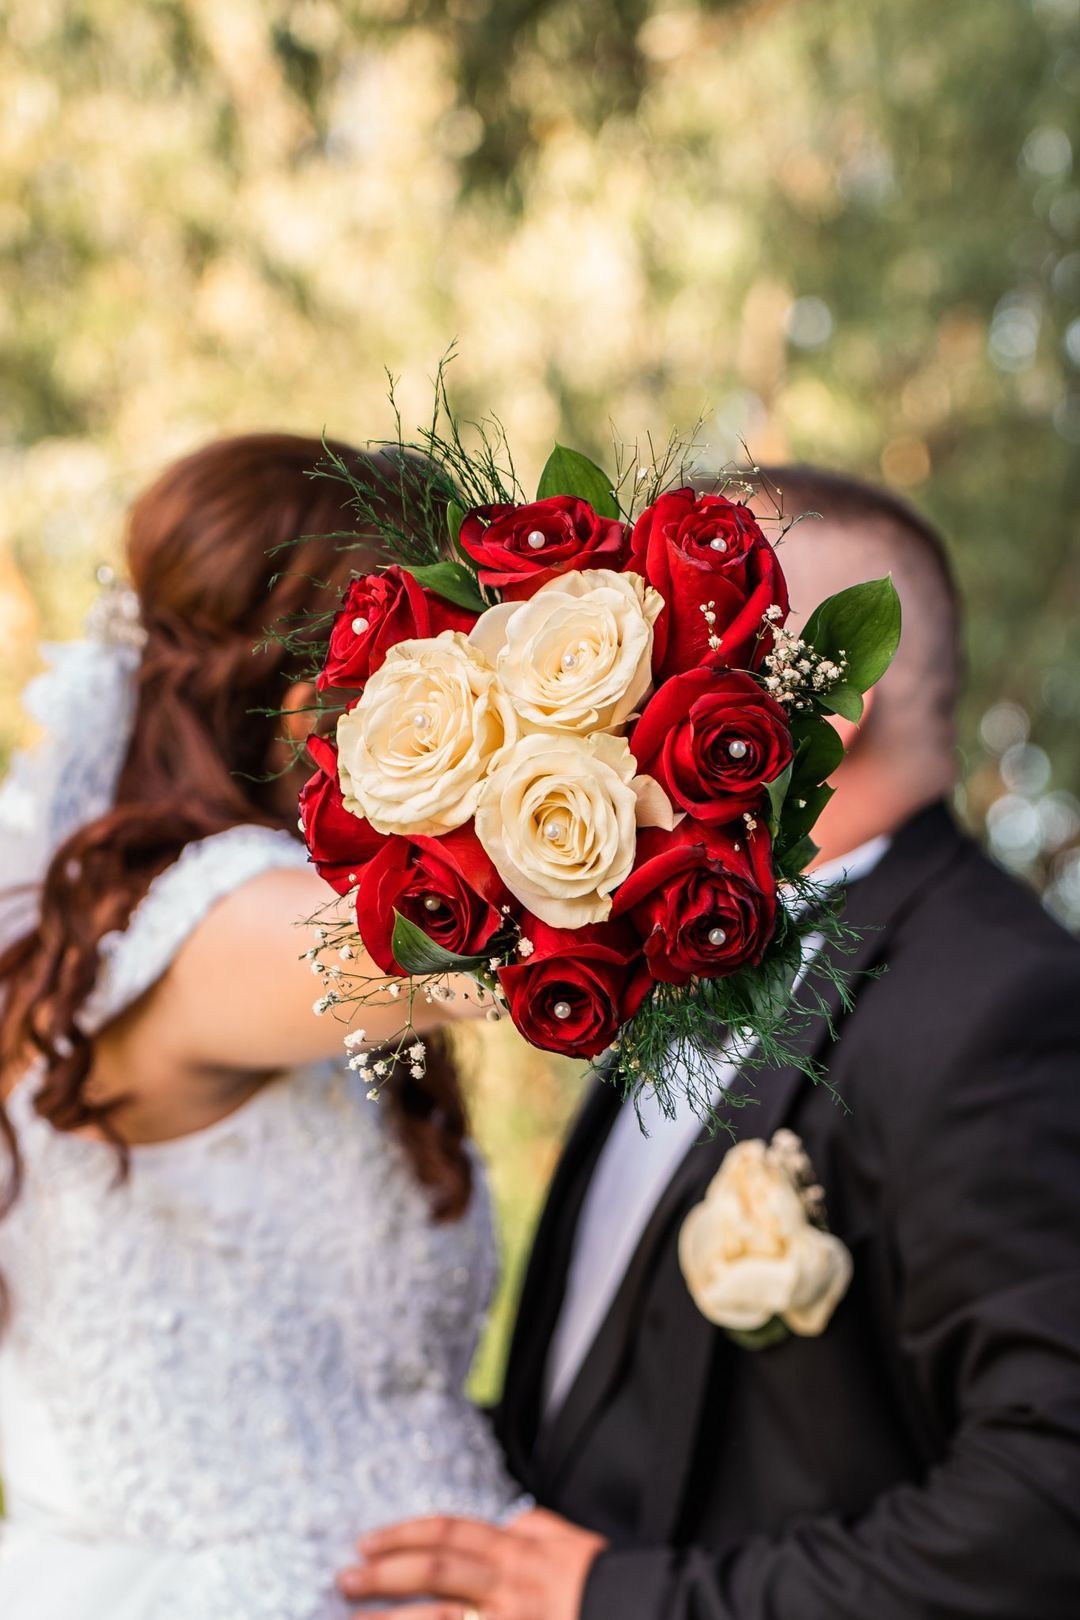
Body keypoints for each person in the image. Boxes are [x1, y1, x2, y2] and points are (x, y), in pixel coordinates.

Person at [341, 466, 1080, 1619]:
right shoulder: (692, 956)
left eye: (692, 631)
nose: (622, 682)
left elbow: (1047, 1504)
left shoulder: (999, 1005)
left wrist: (623, 1600)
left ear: (828, 697)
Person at [0, 434, 523, 1620]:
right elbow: (495, 956)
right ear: (305, 666)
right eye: (429, 638)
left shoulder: (251, 921)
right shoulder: (214, 925)